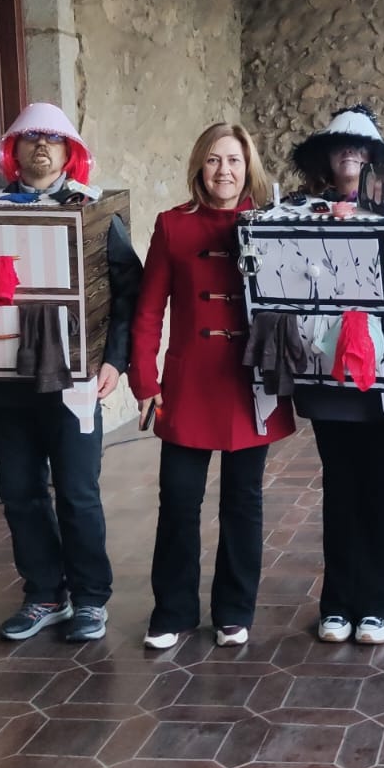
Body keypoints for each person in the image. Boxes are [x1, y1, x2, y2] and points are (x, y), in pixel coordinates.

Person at [131, 123, 295, 650]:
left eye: (234, 160)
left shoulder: (268, 224)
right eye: (213, 161)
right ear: (199, 167)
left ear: (249, 167)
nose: (224, 170)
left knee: (242, 501)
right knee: (178, 498)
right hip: (188, 380)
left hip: (250, 381)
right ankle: (173, 611)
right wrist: (145, 380)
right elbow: (149, 308)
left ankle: (233, 610)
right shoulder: (172, 226)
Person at [0, 102, 142, 645]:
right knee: (20, 491)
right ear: (15, 148)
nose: (42, 147)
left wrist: (115, 360)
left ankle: (91, 598)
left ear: (70, 151)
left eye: (54, 139)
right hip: (7, 380)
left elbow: (128, 292)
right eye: (30, 138)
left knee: (77, 491)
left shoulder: (97, 214)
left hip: (74, 381)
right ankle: (44, 593)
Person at [289, 107, 384, 645]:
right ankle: (338, 601)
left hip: (382, 371)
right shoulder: (296, 212)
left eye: (361, 149)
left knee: (379, 482)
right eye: (341, 146)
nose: (351, 155)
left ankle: (377, 605)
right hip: (323, 367)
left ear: (376, 159)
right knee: (339, 482)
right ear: (325, 155)